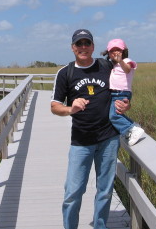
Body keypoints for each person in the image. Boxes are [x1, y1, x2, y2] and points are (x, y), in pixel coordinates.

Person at [51, 29, 131, 229]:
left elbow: (124, 84)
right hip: (81, 141)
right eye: (79, 44)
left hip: (108, 138)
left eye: (87, 43)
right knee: (72, 192)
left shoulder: (106, 66)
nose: (83, 47)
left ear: (93, 47)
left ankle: (100, 226)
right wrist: (71, 108)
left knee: (105, 190)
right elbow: (55, 106)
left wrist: (126, 103)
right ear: (73, 48)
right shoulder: (65, 73)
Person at [101, 39, 144, 146]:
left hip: (121, 93)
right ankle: (132, 128)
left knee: (114, 116)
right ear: (108, 53)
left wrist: (120, 61)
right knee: (116, 114)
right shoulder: (113, 65)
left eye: (118, 50)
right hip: (115, 93)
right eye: (112, 51)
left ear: (124, 51)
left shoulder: (126, 61)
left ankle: (132, 129)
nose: (115, 53)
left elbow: (127, 70)